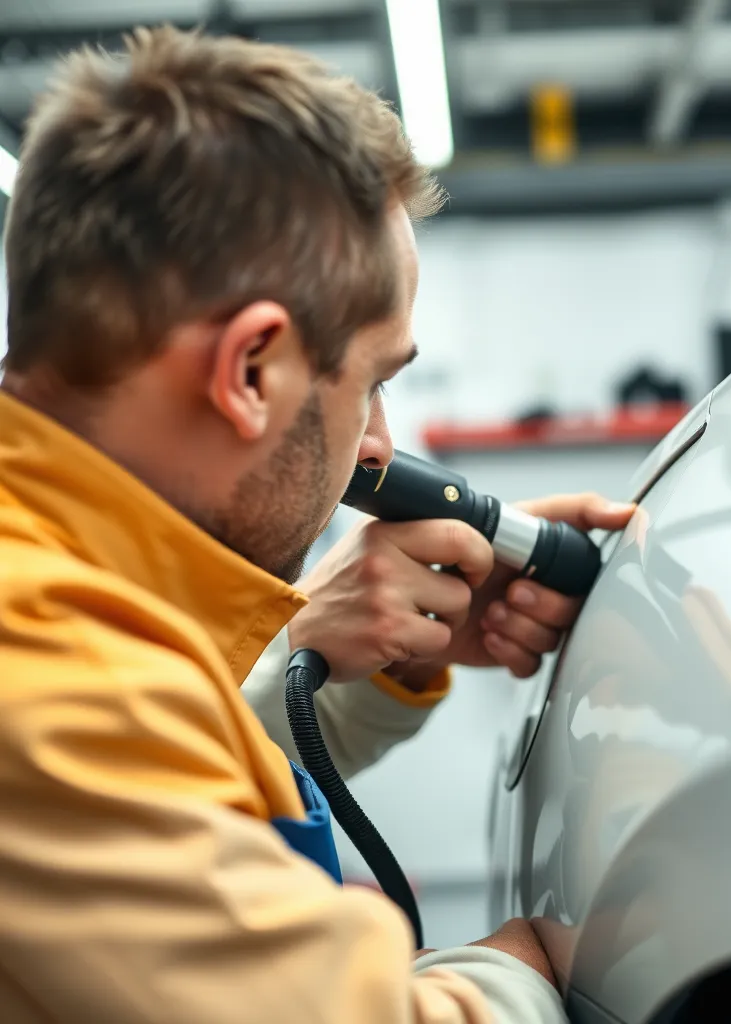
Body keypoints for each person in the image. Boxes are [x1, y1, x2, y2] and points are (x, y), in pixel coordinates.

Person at [0, 26, 634, 1024]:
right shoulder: (44, 667)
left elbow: (161, 787)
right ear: (252, 371)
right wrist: (513, 971)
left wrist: (333, 654)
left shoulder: (57, 600)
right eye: (374, 381)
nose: (378, 448)